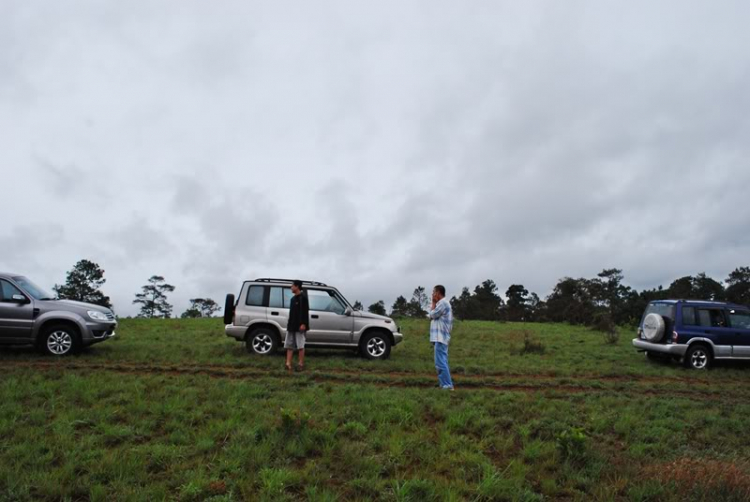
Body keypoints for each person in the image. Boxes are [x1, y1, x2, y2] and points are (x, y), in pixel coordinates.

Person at [428, 285, 454, 390]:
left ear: (438, 293)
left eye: (434, 292)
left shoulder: (443, 303)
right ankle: (444, 384)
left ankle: (447, 385)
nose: (433, 295)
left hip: (441, 337)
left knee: (440, 362)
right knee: (441, 361)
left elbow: (432, 315)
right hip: (440, 338)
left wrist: (433, 303)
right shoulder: (442, 303)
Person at [286, 280, 310, 371]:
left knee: (300, 345)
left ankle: (300, 364)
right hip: (291, 325)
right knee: (289, 345)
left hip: (300, 326)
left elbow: (305, 312)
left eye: (292, 285)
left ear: (297, 286)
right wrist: (289, 325)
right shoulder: (292, 299)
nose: (291, 287)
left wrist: (303, 323)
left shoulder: (303, 298)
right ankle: (288, 364)